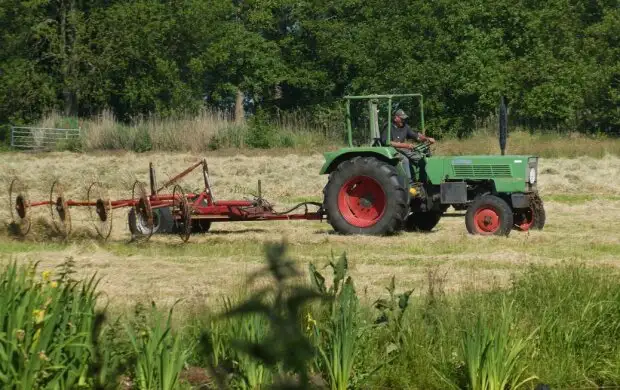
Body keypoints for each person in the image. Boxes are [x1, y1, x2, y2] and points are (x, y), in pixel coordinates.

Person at [380, 109, 436, 186]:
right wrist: (406, 145)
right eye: (402, 119)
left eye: (404, 118)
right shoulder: (388, 127)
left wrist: (427, 139)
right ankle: (409, 183)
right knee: (405, 160)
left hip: (403, 148)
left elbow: (416, 136)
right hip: (390, 150)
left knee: (421, 159)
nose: (403, 120)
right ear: (396, 118)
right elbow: (388, 142)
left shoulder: (405, 126)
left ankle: (423, 181)